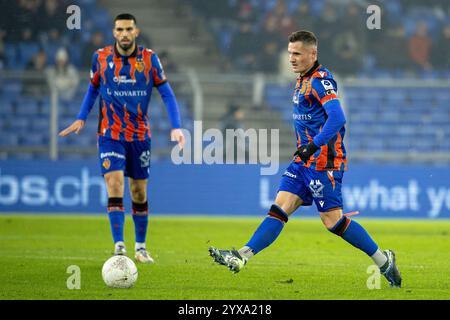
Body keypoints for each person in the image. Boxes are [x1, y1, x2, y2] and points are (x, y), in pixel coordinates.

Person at [209, 30, 402, 288]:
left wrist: (312, 147)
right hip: (303, 163)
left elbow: (338, 118)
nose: (292, 58)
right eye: (290, 53)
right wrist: (306, 151)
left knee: (333, 221)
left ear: (313, 54)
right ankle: (242, 256)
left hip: (324, 162)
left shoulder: (321, 81)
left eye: (297, 53)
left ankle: (383, 260)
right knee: (279, 209)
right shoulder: (301, 79)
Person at [59, 13, 185, 264]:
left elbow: (168, 94)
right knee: (115, 184)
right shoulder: (101, 57)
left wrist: (176, 127)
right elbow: (93, 87)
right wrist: (81, 116)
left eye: (129, 29)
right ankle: (119, 245)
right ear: (114, 32)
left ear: (136, 31)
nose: (125, 33)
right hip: (110, 135)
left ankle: (140, 247)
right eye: (120, 29)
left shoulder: (149, 59)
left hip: (139, 136)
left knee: (138, 192)